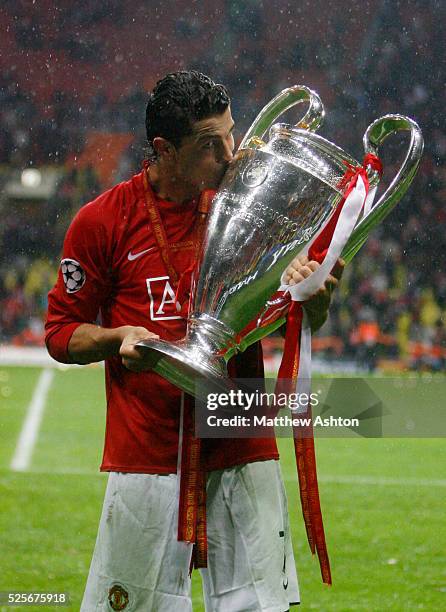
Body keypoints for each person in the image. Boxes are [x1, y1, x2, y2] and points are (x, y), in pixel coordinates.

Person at [45, 71, 343, 612]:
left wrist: (313, 296)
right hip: (149, 450)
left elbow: (291, 314)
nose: (231, 155)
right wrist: (116, 338)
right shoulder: (103, 221)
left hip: (240, 437)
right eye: (211, 144)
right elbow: (61, 331)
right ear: (165, 149)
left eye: (232, 134)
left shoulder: (257, 206)